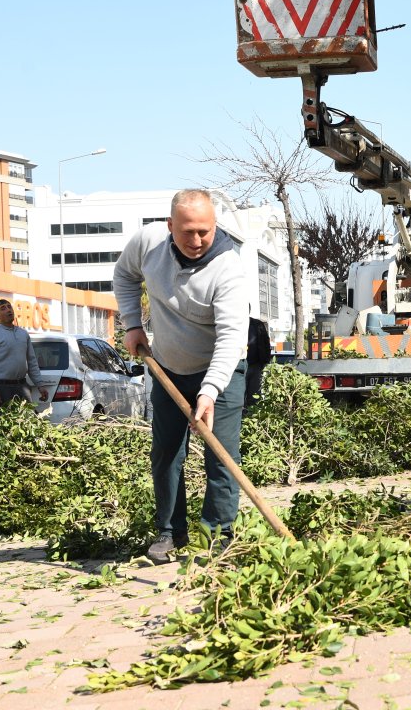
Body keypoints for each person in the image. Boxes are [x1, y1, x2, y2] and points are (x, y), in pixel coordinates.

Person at [114, 189, 250, 564]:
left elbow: (230, 338)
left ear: (215, 225)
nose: (197, 241)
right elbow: (124, 276)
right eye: (187, 232)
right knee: (166, 452)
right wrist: (131, 325)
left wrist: (208, 393)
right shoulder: (148, 243)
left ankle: (218, 534)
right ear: (170, 226)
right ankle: (170, 532)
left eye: (204, 232)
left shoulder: (228, 269)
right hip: (168, 367)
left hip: (220, 371)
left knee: (221, 455)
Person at [0, 298, 50, 408]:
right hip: (1, 389)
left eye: (9, 307)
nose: (8, 310)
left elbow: (31, 362)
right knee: (4, 423)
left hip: (22, 387)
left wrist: (40, 385)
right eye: (3, 308)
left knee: (27, 421)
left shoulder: (23, 334)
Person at [246, 316, 272, 408]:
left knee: (254, 396)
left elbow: (266, 342)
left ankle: (252, 416)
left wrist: (265, 360)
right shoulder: (234, 323)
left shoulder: (257, 324)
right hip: (239, 365)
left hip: (255, 364)